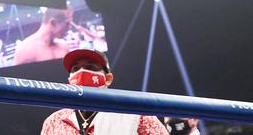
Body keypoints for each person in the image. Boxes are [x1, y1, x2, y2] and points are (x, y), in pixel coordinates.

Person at [40, 49, 168, 135]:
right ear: (69, 80)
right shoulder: (54, 121)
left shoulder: (134, 113)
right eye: (76, 68)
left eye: (90, 67)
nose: (81, 72)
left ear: (108, 79)